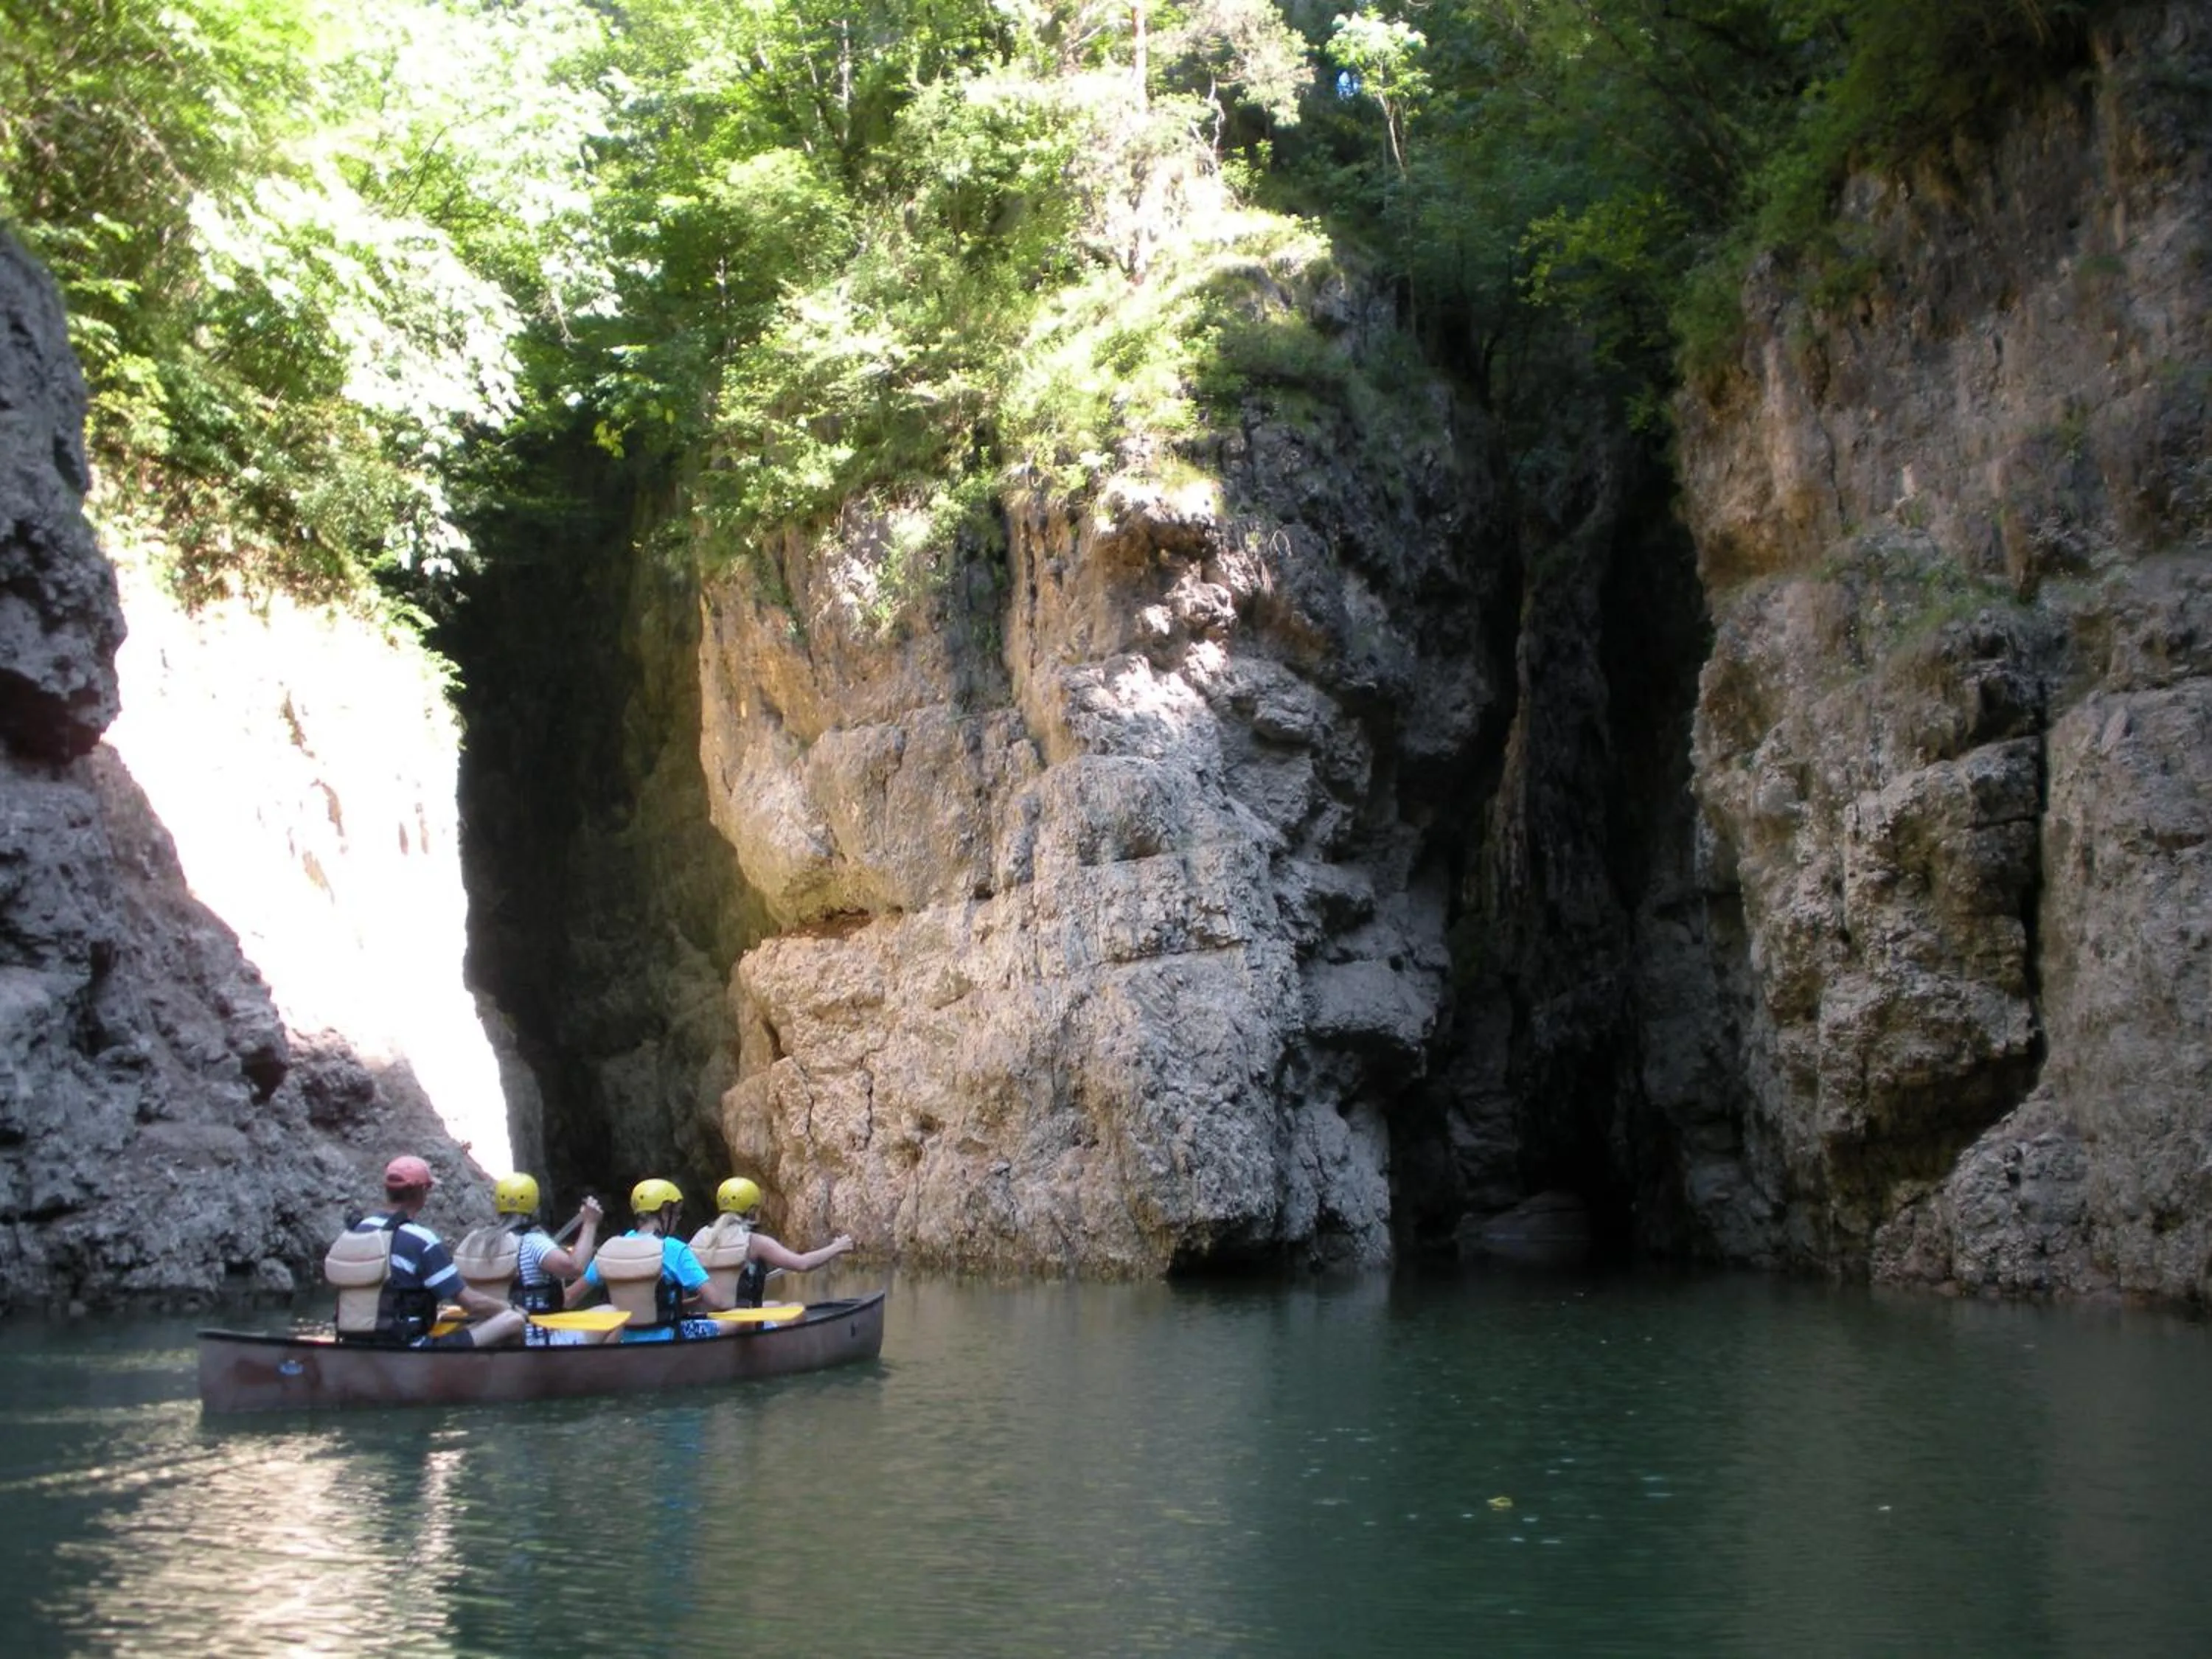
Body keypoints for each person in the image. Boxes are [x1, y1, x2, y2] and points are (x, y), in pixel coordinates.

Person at [334, 1155, 524, 1349]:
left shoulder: (358, 1231)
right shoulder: (422, 1240)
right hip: (409, 1347)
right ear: (422, 1191)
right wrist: (509, 1308)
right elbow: (470, 1303)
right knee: (512, 1321)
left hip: (351, 1344)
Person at [566, 1178, 728, 1342]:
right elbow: (717, 1302)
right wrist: (695, 1303)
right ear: (665, 1211)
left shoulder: (610, 1249)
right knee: (737, 1325)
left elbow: (570, 1299)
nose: (678, 1219)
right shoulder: (674, 1249)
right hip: (668, 1338)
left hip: (621, 1341)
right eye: (677, 1213)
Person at [691, 1176, 855, 1306]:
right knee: (795, 1308)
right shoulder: (755, 1243)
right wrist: (837, 1247)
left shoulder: (698, 1238)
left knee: (774, 1304)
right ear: (752, 1210)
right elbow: (802, 1264)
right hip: (741, 1320)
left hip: (708, 1318)